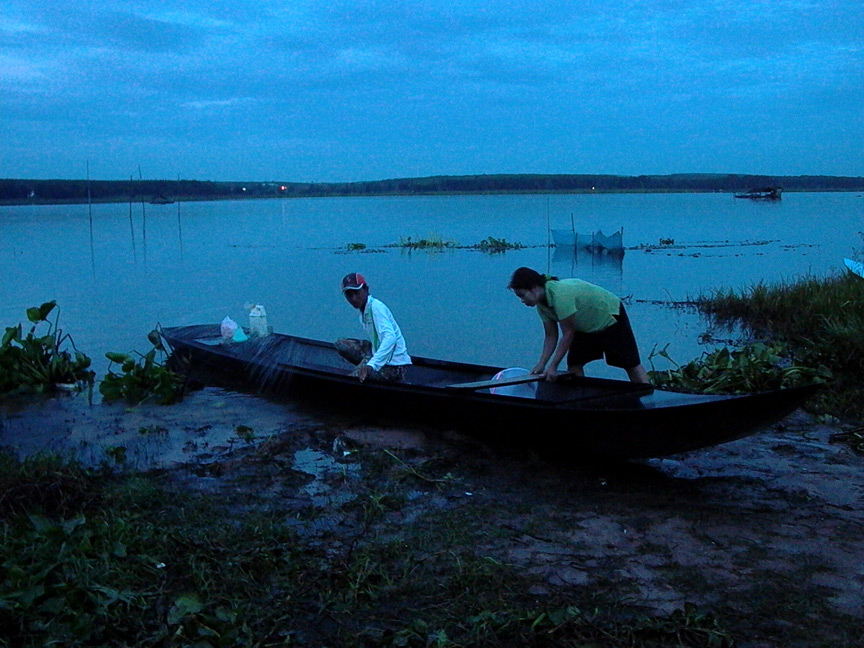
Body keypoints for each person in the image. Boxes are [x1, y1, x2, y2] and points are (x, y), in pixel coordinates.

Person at [507, 266, 650, 384]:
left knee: (630, 364)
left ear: (533, 288)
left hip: (609, 315)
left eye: (522, 295)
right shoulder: (541, 306)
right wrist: (542, 364)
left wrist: (553, 366)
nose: (522, 301)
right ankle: (579, 399)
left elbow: (567, 334)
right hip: (583, 325)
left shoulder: (560, 295)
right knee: (574, 365)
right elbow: (551, 336)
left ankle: (648, 395)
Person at [335, 272, 412, 382]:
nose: (354, 298)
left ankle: (367, 367)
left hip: (394, 365)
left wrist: (372, 365)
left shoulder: (376, 308)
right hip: (376, 353)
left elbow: (390, 338)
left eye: (357, 292)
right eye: (349, 295)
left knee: (353, 379)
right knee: (341, 344)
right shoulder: (363, 313)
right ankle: (368, 362)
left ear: (366, 289)